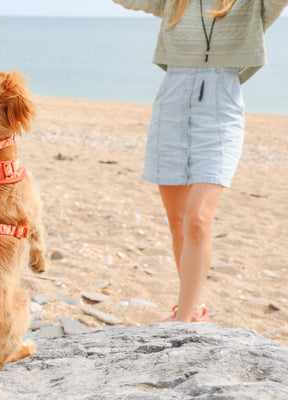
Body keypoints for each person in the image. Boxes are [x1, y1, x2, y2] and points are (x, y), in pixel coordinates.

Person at [112, 0, 288, 322]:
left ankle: (182, 324)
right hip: (171, 103)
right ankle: (193, 309)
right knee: (177, 221)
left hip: (220, 110)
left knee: (198, 219)